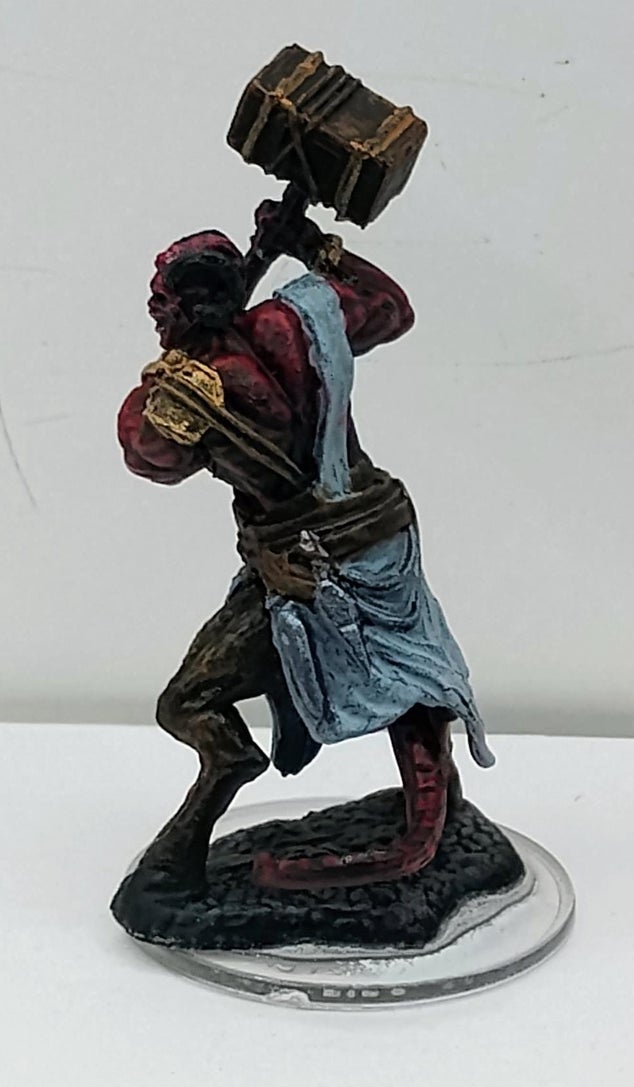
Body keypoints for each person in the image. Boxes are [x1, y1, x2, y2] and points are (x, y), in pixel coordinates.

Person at [116, 197, 491, 893]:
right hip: (372, 534)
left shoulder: (199, 384)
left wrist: (170, 374)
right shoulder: (291, 321)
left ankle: (241, 788)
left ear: (185, 305)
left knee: (190, 703)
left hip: (315, 560)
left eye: (161, 299)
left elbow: (150, 456)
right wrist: (308, 243)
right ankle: (427, 817)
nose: (153, 309)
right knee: (407, 684)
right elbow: (387, 307)